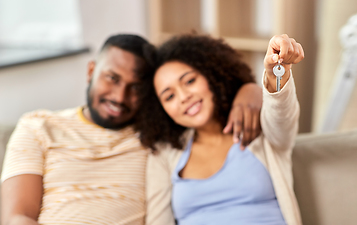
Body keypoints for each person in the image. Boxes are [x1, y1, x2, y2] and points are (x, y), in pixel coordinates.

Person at [1, 34, 263, 225]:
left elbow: (207, 105)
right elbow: (16, 218)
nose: (120, 96)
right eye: (112, 78)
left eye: (136, 88)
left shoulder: (157, 137)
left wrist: (249, 91)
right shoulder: (38, 126)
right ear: (91, 70)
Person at [136, 34, 304, 225]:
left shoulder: (257, 126)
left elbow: (282, 114)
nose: (183, 97)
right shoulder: (165, 152)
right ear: (161, 109)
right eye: (169, 97)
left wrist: (275, 75)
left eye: (189, 81)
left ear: (211, 74)